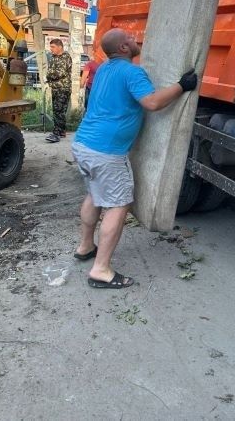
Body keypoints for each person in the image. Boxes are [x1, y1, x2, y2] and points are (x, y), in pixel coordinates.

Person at [71, 28, 198, 289]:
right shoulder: (132, 72)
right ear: (123, 49)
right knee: (118, 205)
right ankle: (101, 270)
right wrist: (182, 86)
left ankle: (85, 247)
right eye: (130, 38)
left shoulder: (105, 69)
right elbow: (152, 103)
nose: (135, 38)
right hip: (106, 152)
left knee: (95, 194)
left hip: (84, 144)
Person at [45, 39, 72, 143]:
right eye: (50, 47)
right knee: (57, 110)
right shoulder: (53, 58)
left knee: (59, 111)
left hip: (63, 88)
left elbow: (60, 73)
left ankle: (56, 133)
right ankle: (61, 131)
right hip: (55, 87)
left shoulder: (65, 57)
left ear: (60, 47)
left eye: (53, 47)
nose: (51, 49)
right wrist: (50, 75)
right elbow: (51, 71)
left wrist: (48, 75)